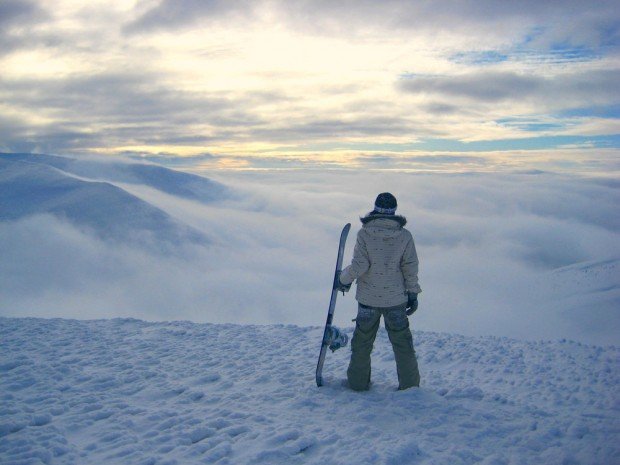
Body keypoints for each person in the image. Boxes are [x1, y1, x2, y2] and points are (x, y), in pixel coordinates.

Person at [337, 193, 421, 391]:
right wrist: (413, 293)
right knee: (402, 344)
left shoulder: (365, 233)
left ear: (375, 208)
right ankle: (410, 386)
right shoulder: (404, 235)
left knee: (362, 344)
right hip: (396, 300)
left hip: (368, 299)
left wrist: (342, 280)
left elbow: (360, 265)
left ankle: (358, 384)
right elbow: (410, 267)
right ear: (394, 211)